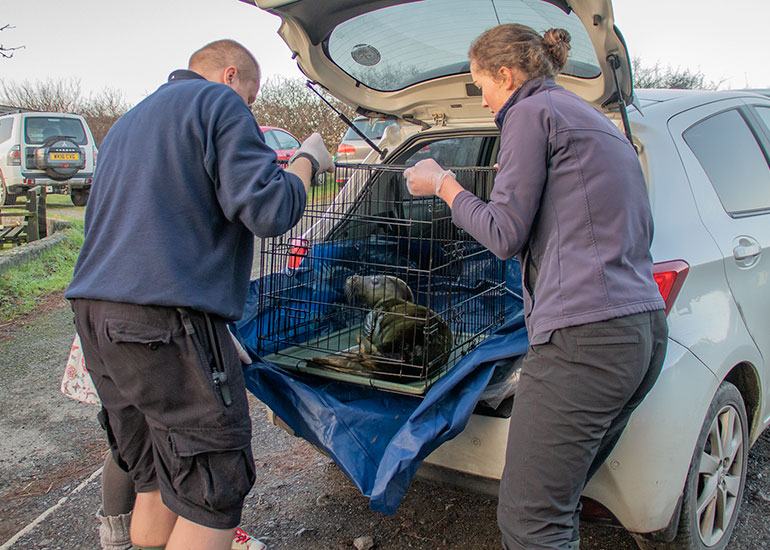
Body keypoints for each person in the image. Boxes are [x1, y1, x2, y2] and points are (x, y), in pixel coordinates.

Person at [404, 24, 668, 550]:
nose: (483, 98)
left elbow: (503, 234)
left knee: (532, 521)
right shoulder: (595, 120)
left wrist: (443, 185)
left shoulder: (528, 112)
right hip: (642, 334)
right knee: (555, 508)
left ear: (506, 74)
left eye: (482, 84)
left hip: (583, 343)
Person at [65, 39, 333, 550]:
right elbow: (271, 210)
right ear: (231, 76)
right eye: (251, 99)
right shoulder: (218, 103)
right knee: (214, 492)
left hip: (96, 319)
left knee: (158, 483)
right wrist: (305, 162)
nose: (248, 109)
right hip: (162, 322)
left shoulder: (129, 121)